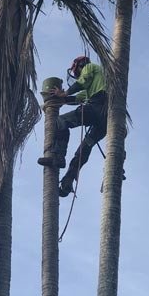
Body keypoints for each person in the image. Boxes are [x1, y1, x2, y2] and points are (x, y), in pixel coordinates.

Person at [38, 55, 108, 197]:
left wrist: (64, 92)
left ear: (81, 65)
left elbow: (82, 82)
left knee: (61, 121)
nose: (77, 75)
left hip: (96, 108)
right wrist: (61, 99)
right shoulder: (98, 83)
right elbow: (77, 98)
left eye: (77, 72)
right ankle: (67, 183)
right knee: (83, 149)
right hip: (105, 121)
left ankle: (59, 156)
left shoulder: (90, 68)